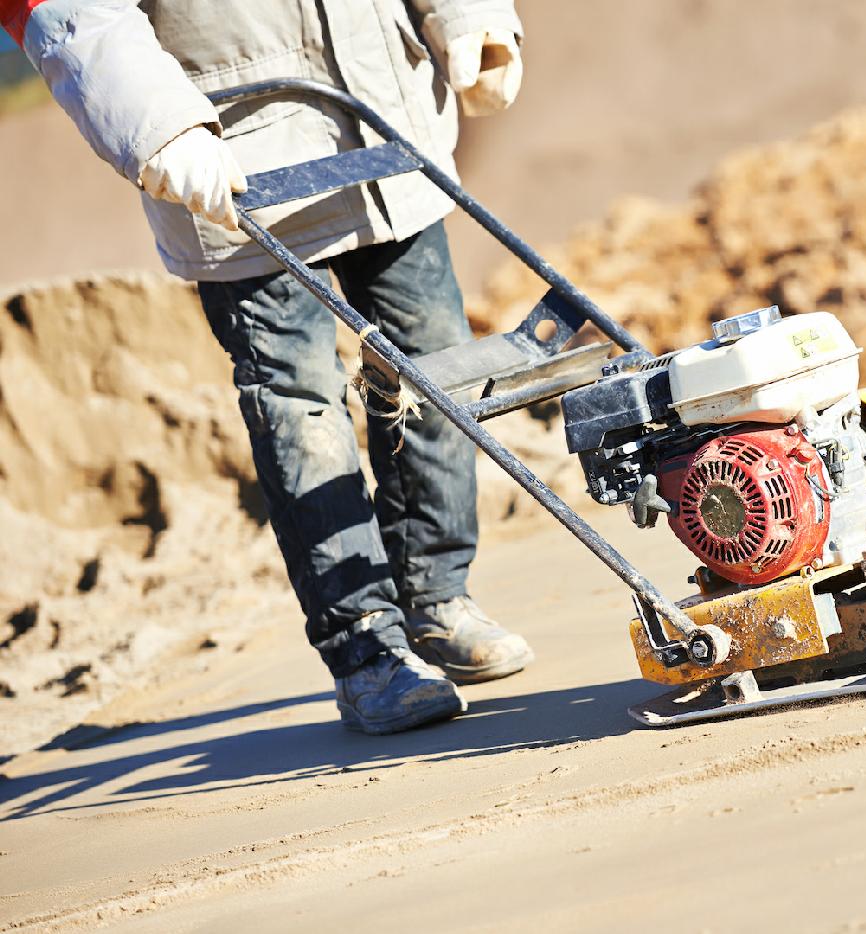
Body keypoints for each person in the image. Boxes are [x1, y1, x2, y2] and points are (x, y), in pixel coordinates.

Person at [4, 0, 534, 735]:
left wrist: (467, 13)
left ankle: (436, 595)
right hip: (238, 165)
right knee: (299, 404)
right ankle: (366, 651)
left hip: (385, 121)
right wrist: (159, 124)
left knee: (435, 362)